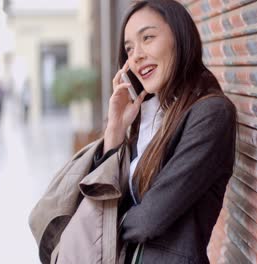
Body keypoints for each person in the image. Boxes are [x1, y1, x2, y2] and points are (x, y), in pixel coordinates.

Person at [96, 0, 237, 263]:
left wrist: (104, 225)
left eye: (148, 38)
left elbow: (151, 218)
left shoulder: (211, 114)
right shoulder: (149, 116)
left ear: (179, 38)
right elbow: (108, 196)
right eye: (129, 49)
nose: (136, 55)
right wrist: (115, 129)